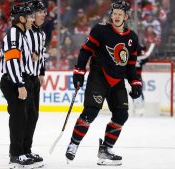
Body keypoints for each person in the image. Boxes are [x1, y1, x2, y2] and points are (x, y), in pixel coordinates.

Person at [65, 0, 142, 166]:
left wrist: (135, 82)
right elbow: (85, 51)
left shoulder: (132, 38)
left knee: (122, 115)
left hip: (118, 81)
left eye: (120, 14)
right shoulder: (100, 30)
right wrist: (79, 70)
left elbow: (130, 65)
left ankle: (106, 149)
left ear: (126, 17)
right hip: (98, 77)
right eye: (114, 13)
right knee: (90, 112)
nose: (116, 16)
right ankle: (74, 144)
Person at [0, 3, 35, 169]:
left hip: (20, 80)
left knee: (26, 117)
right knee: (19, 119)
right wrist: (20, 84)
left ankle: (23, 151)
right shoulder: (15, 35)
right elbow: (12, 61)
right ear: (21, 19)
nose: (32, 19)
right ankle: (15, 155)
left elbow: (19, 58)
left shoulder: (23, 34)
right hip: (14, 82)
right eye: (30, 16)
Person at [23, 0, 49, 167]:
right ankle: (19, 152)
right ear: (31, 15)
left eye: (43, 11)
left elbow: (41, 54)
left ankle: (27, 149)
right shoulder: (23, 33)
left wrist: (41, 72)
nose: (43, 14)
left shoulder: (41, 34)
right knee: (23, 117)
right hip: (23, 78)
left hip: (34, 79)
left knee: (33, 116)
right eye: (40, 11)